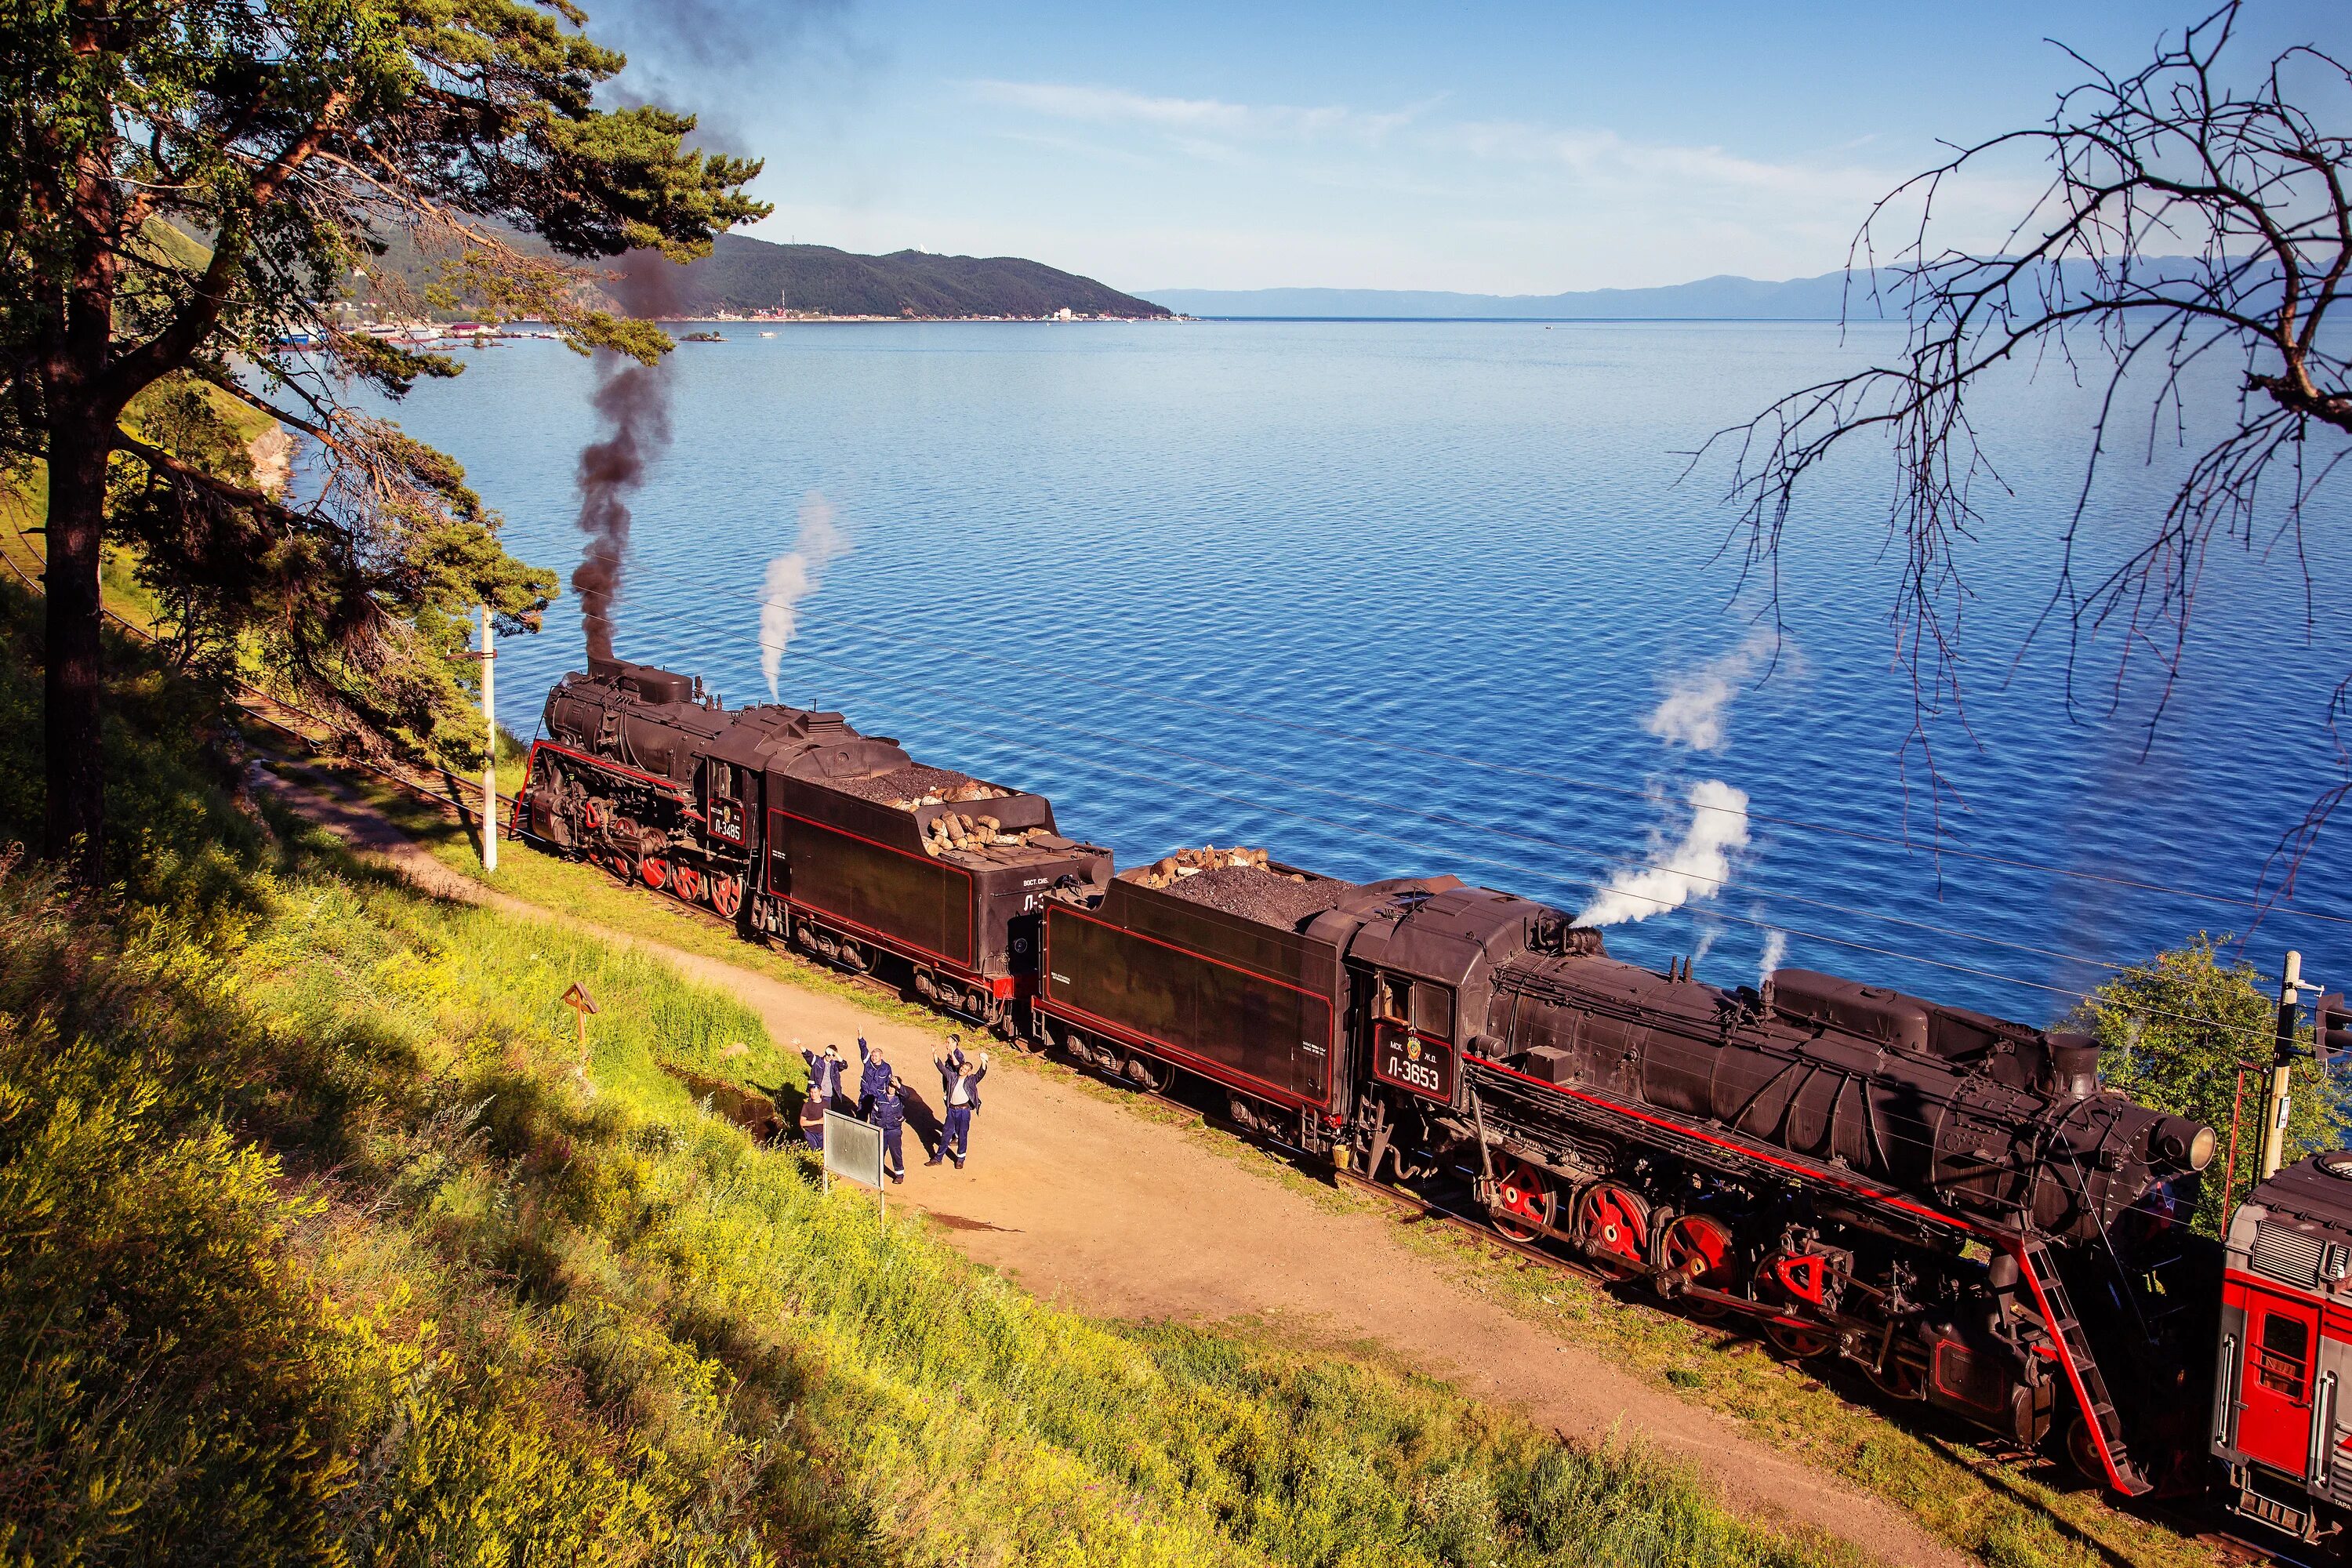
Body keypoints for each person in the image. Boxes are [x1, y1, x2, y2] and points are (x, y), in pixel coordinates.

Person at [928, 1036, 990, 1169]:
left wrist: (984, 1062)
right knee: (946, 1134)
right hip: (952, 1110)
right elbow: (941, 1067)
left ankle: (960, 1159)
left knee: (962, 1135)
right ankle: (938, 1158)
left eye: (965, 1070)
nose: (962, 1070)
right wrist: (934, 1054)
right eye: (962, 1068)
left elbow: (981, 1073)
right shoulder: (953, 1076)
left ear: (969, 1073)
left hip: (964, 1112)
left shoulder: (971, 1080)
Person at [873, 1076, 908, 1184]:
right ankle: (876, 1173)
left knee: (896, 1152)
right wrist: (872, 1128)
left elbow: (907, 1095)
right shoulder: (880, 1099)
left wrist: (898, 1085)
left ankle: (899, 1175)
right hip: (881, 1130)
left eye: (893, 1087)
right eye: (889, 1086)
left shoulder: (900, 1099)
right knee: (879, 1152)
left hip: (894, 1131)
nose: (890, 1088)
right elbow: (874, 1114)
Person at [856, 1036, 891, 1120]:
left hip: (877, 1098)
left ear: (881, 1057)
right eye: (872, 1056)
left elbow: (888, 1083)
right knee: (860, 1118)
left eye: (876, 1056)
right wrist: (860, 1038)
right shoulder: (867, 1062)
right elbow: (863, 1049)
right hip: (864, 1095)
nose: (873, 1058)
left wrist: (888, 1098)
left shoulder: (886, 1068)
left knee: (875, 1120)